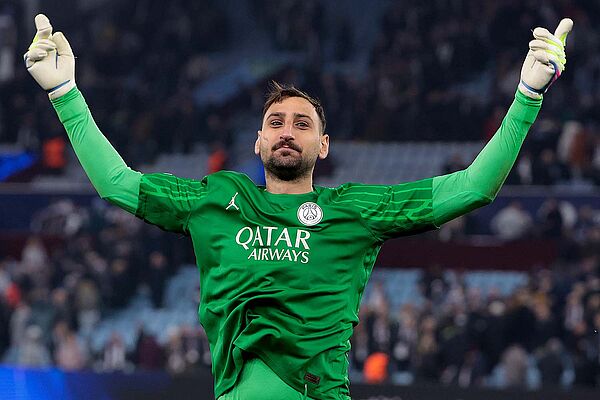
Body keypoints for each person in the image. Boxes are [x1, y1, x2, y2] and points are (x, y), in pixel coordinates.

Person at [24, 14, 573, 400]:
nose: (288, 131)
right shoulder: (215, 199)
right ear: (258, 142)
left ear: (324, 146)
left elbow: (474, 186)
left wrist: (527, 96)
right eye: (276, 122)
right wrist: (64, 93)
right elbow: (117, 183)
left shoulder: (356, 211)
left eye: (303, 124)